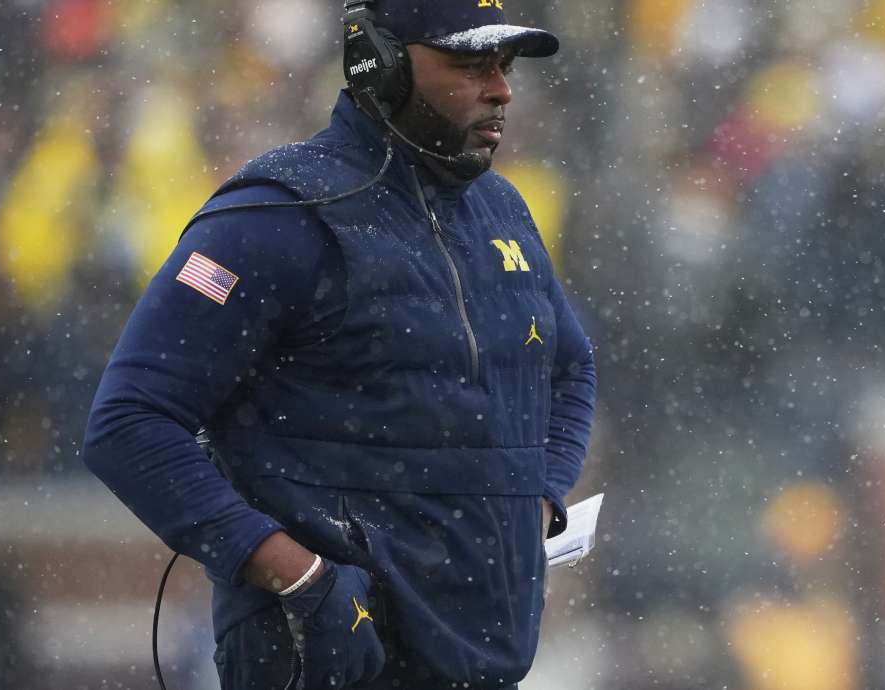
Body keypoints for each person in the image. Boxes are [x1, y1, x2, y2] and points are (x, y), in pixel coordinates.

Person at [82, 1, 597, 688]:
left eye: (503, 66)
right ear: (378, 62)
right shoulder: (275, 214)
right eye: (471, 64)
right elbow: (127, 423)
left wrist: (535, 502)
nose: (501, 88)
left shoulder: (502, 209)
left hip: (479, 661)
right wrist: (298, 575)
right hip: (321, 665)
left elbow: (571, 369)